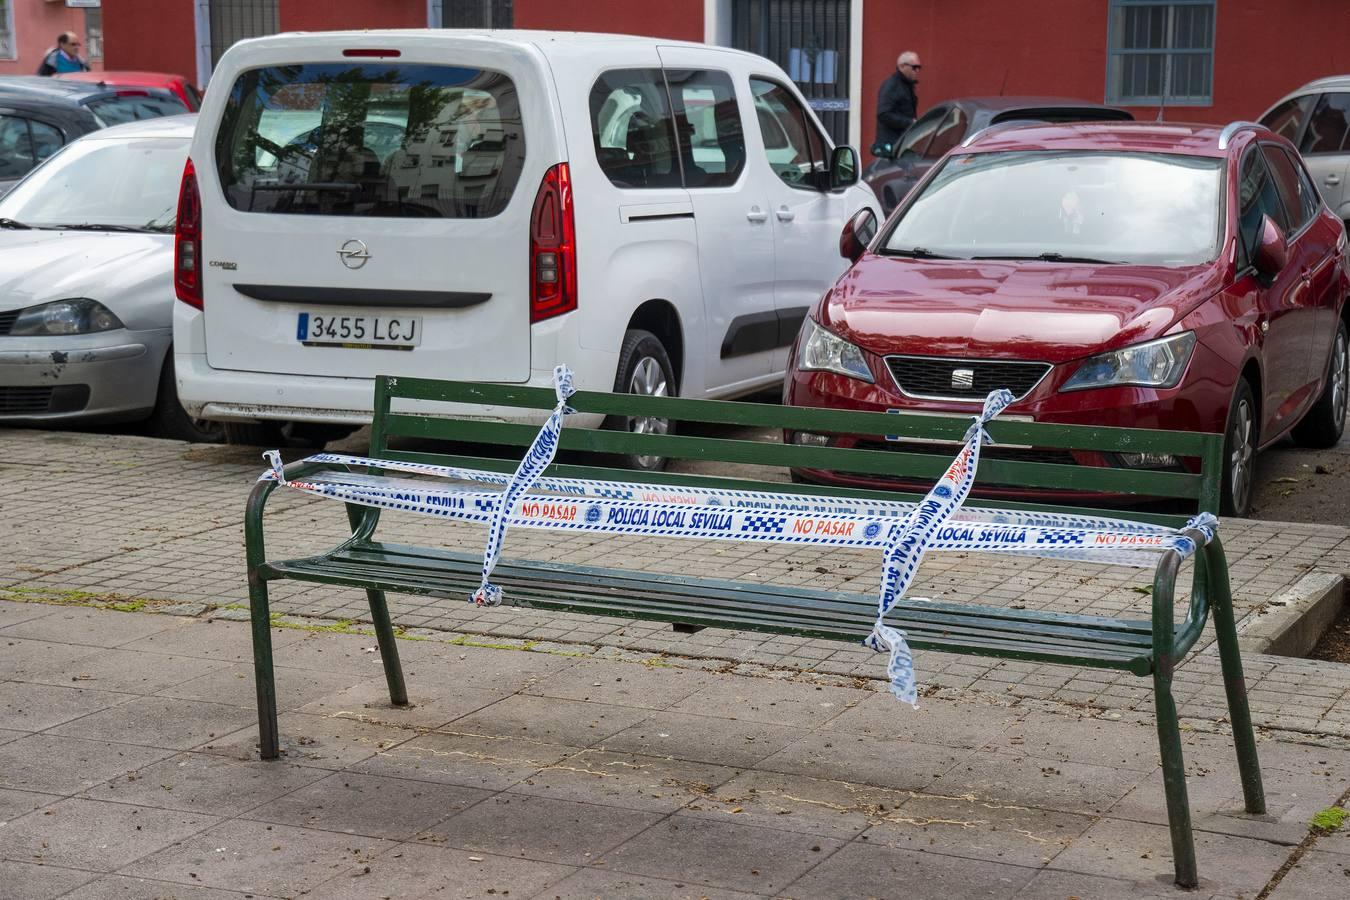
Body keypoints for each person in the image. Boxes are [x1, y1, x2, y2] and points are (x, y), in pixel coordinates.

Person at [875, 51, 921, 155]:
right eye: (914, 67)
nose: (917, 71)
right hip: (891, 146)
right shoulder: (892, 86)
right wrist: (910, 123)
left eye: (919, 68)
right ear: (902, 66)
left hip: (901, 143)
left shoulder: (906, 85)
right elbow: (883, 114)